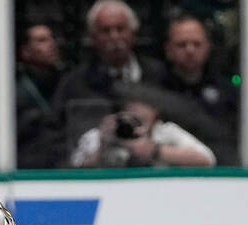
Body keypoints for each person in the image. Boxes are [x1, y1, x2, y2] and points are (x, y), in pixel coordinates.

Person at [51, 0, 168, 150]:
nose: (114, 37)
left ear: (133, 33)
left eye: (120, 29)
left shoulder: (158, 75)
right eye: (106, 30)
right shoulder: (74, 83)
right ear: (93, 38)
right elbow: (57, 136)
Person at [159, 14, 239, 165]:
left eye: (196, 44)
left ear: (207, 47)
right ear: (169, 50)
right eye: (182, 44)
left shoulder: (226, 91)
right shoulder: (156, 90)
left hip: (221, 172)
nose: (190, 50)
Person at [69, 87, 216, 167]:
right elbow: (75, 169)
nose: (138, 112)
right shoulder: (101, 134)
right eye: (131, 107)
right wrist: (103, 147)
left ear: (155, 112)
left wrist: (154, 150)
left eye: (144, 107)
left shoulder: (166, 132)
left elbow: (207, 159)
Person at [15, 22, 67, 168]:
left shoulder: (67, 80)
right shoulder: (13, 88)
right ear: (25, 51)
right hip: (27, 165)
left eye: (51, 39)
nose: (52, 44)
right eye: (42, 40)